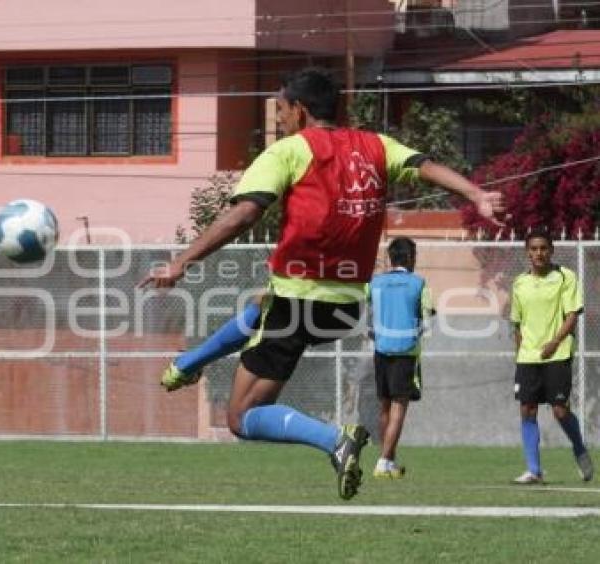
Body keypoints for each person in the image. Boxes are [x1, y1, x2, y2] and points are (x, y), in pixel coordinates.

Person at [141, 67, 504, 500]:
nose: (280, 120)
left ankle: (335, 439)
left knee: (241, 416)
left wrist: (181, 262)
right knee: (262, 303)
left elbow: (244, 213)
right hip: (345, 307)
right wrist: (476, 195)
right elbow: (424, 166)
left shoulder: (290, 151)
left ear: (300, 109)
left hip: (300, 301)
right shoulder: (374, 145)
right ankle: (188, 364)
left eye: (281, 111)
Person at [510, 230, 593, 484]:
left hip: (557, 353)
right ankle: (534, 470)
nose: (539, 253)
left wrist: (554, 342)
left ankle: (579, 448)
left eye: (543, 248)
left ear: (552, 250)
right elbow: (516, 323)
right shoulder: (519, 283)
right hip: (528, 358)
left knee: (559, 410)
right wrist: (521, 352)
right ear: (527, 252)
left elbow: (572, 315)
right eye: (534, 249)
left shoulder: (565, 277)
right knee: (527, 410)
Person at [367, 237, 433, 479]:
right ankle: (383, 461)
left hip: (381, 350)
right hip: (406, 352)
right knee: (399, 407)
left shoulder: (375, 283)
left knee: (384, 405)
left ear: (391, 259)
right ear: (410, 258)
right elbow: (427, 318)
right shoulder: (419, 283)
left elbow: (369, 314)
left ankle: (389, 460)